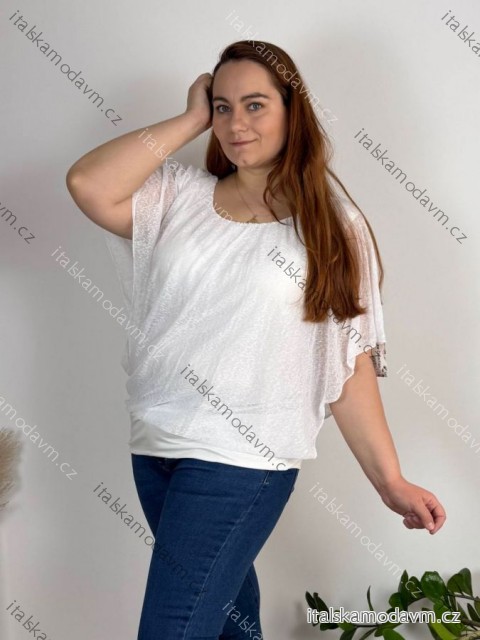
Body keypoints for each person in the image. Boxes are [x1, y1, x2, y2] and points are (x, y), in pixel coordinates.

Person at [66, 40, 446, 640]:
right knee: (227, 628)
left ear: (293, 110)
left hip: (241, 461)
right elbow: (88, 182)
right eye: (223, 107)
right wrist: (191, 118)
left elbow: (347, 365)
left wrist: (389, 481)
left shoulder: (332, 227)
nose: (235, 123)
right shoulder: (178, 195)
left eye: (255, 105)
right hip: (155, 447)